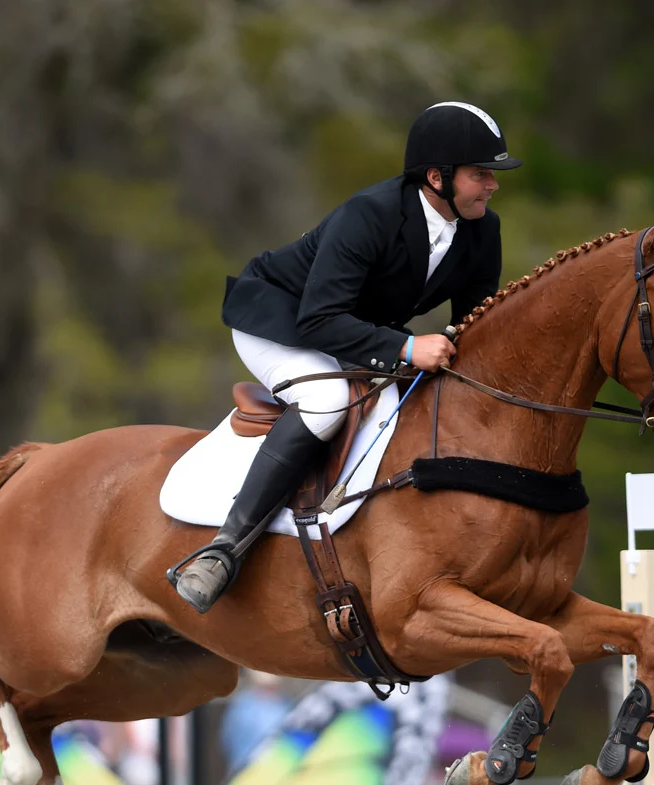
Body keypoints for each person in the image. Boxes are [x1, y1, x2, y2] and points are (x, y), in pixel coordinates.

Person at [171, 101, 522, 614]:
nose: (491, 185)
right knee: (327, 398)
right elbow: (318, 320)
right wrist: (406, 347)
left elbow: (475, 323)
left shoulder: (481, 228)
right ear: (436, 177)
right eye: (480, 174)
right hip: (281, 320)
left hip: (353, 329)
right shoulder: (370, 214)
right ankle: (223, 550)